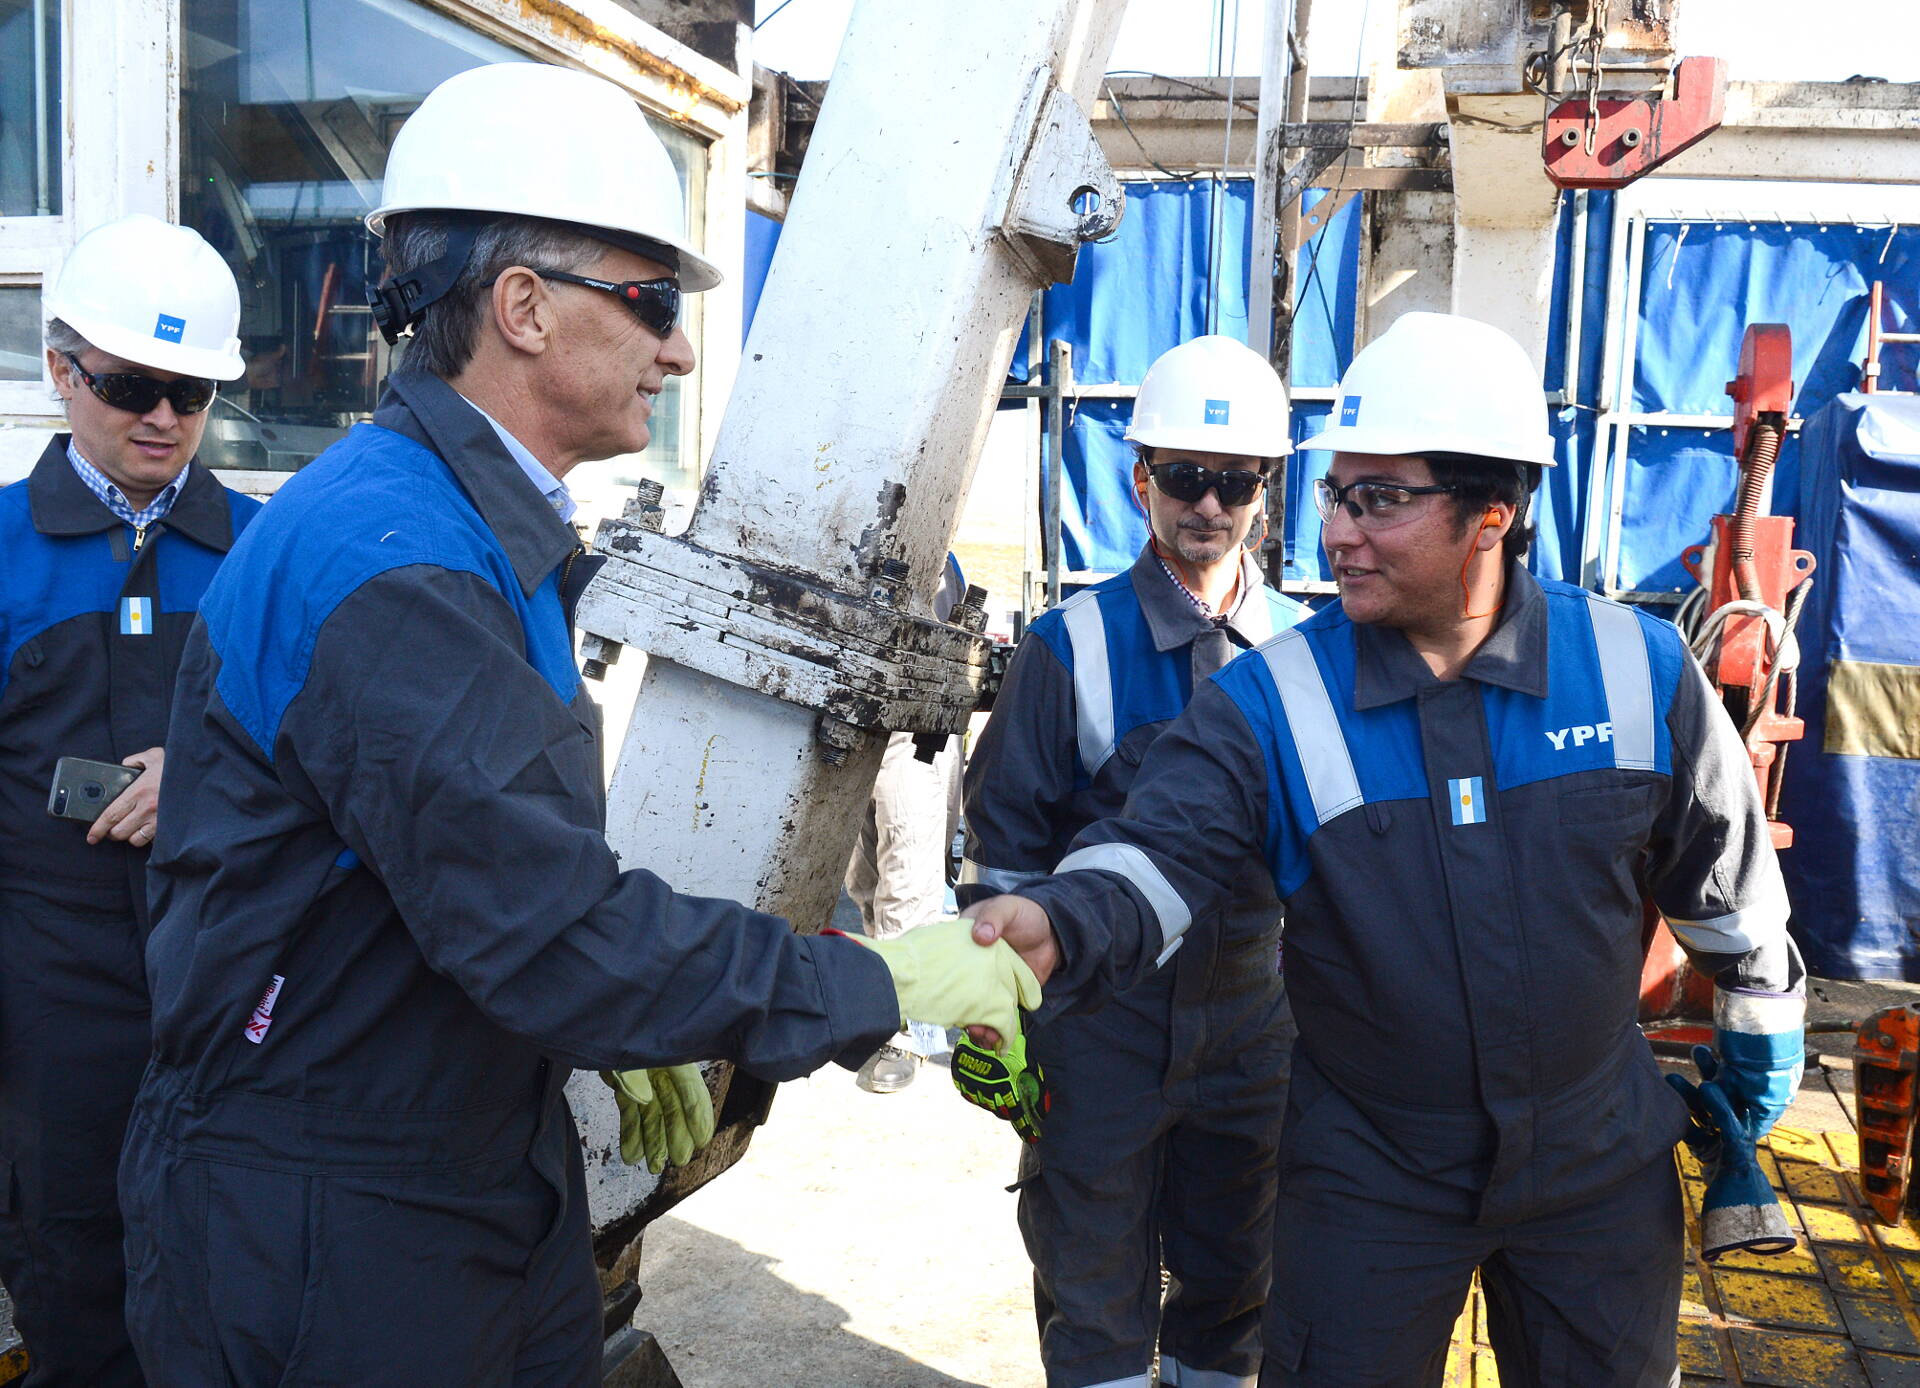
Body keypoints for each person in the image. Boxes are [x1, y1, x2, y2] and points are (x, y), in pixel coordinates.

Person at [119, 62, 1036, 1385]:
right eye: (654, 300)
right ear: (524, 309)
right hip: (334, 1236)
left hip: (442, 1177)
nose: (674, 346)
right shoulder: (400, 574)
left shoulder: (457, 531)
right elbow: (546, 935)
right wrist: (877, 982)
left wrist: (600, 1028)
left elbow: (495, 895)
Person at [964, 312, 1804, 1387]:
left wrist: (1763, 1024)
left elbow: (1726, 883)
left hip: (1598, 1166)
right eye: (1334, 493)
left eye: (1380, 499)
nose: (1338, 533)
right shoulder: (1271, 696)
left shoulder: (1636, 670)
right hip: (1371, 1175)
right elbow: (1157, 849)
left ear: (1491, 512)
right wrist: (1058, 917)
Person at [959, 335, 1309, 1388]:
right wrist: (998, 1004)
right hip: (1100, 1024)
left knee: (1234, 1278)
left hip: (1254, 1022)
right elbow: (1007, 846)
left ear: (1266, 487)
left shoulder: (1305, 651)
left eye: (1235, 482)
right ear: (1140, 476)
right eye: (1186, 478)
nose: (1209, 505)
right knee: (1094, 1278)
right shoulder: (1068, 647)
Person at [0, 214, 261, 1387]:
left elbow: (351, 762)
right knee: (75, 1278)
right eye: (130, 384)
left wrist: (200, 776)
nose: (163, 415)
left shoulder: (268, 552)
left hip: (237, 994)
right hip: (49, 1011)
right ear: (62, 370)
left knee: (240, 1268)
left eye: (192, 390)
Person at [848, 554, 967, 1092]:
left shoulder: (936, 550)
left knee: (909, 866)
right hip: (850, 706)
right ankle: (886, 1004)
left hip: (915, 723)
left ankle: (908, 1029)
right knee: (863, 877)